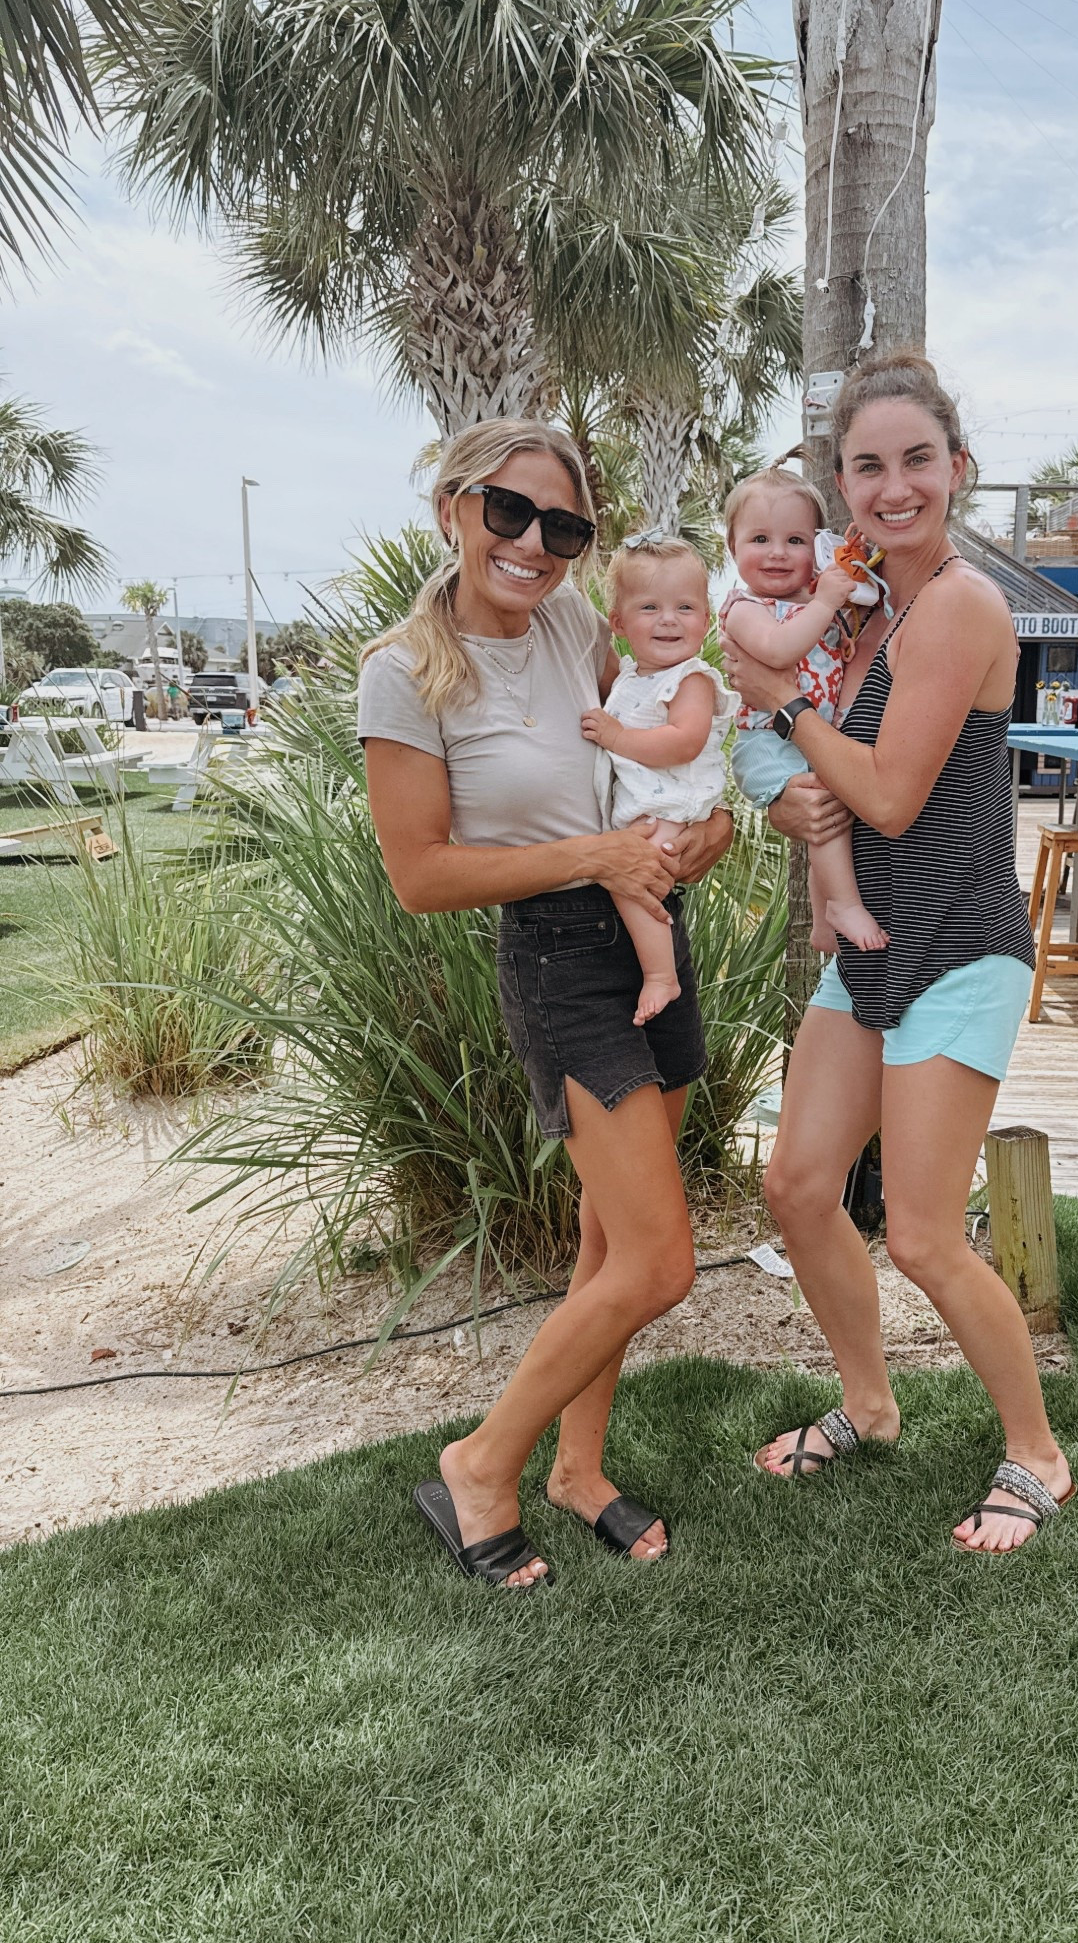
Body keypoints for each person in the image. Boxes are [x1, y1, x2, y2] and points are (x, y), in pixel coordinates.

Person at [357, 419, 733, 1590]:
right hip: (562, 960)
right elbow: (421, 874)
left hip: (650, 931)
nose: (532, 544)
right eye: (508, 511)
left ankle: (578, 1467)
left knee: (610, 1240)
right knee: (660, 1263)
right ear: (453, 509)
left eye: (562, 526)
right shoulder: (404, 671)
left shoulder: (575, 623)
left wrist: (709, 829)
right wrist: (595, 859)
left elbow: (653, 765)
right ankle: (481, 1462)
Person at [723, 352, 1076, 1556]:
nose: (894, 485)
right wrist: (781, 792)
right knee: (796, 1183)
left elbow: (884, 792)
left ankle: (1037, 1452)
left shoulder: (962, 606)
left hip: (961, 943)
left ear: (957, 468)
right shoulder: (864, 613)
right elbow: (825, 794)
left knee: (923, 1231)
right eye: (867, 465)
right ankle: (870, 1404)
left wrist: (779, 708)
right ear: (842, 482)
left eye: (917, 459)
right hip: (873, 944)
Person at [720, 465, 886, 954]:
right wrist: (825, 603)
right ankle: (844, 906)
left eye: (795, 540)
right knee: (826, 813)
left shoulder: (812, 600)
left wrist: (847, 573)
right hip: (768, 742)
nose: (777, 552)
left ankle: (824, 921)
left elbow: (841, 623)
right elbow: (777, 651)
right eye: (760, 539)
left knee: (827, 825)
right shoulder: (745, 609)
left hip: (801, 734)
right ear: (732, 546)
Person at [579, 534, 732, 1024]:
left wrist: (618, 737)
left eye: (685, 607)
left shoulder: (691, 679)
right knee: (630, 880)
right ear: (618, 623)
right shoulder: (630, 676)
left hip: (672, 803)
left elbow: (684, 741)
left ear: (705, 619)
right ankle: (656, 970)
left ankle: (662, 974)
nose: (669, 619)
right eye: (650, 607)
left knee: (633, 881)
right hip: (647, 802)